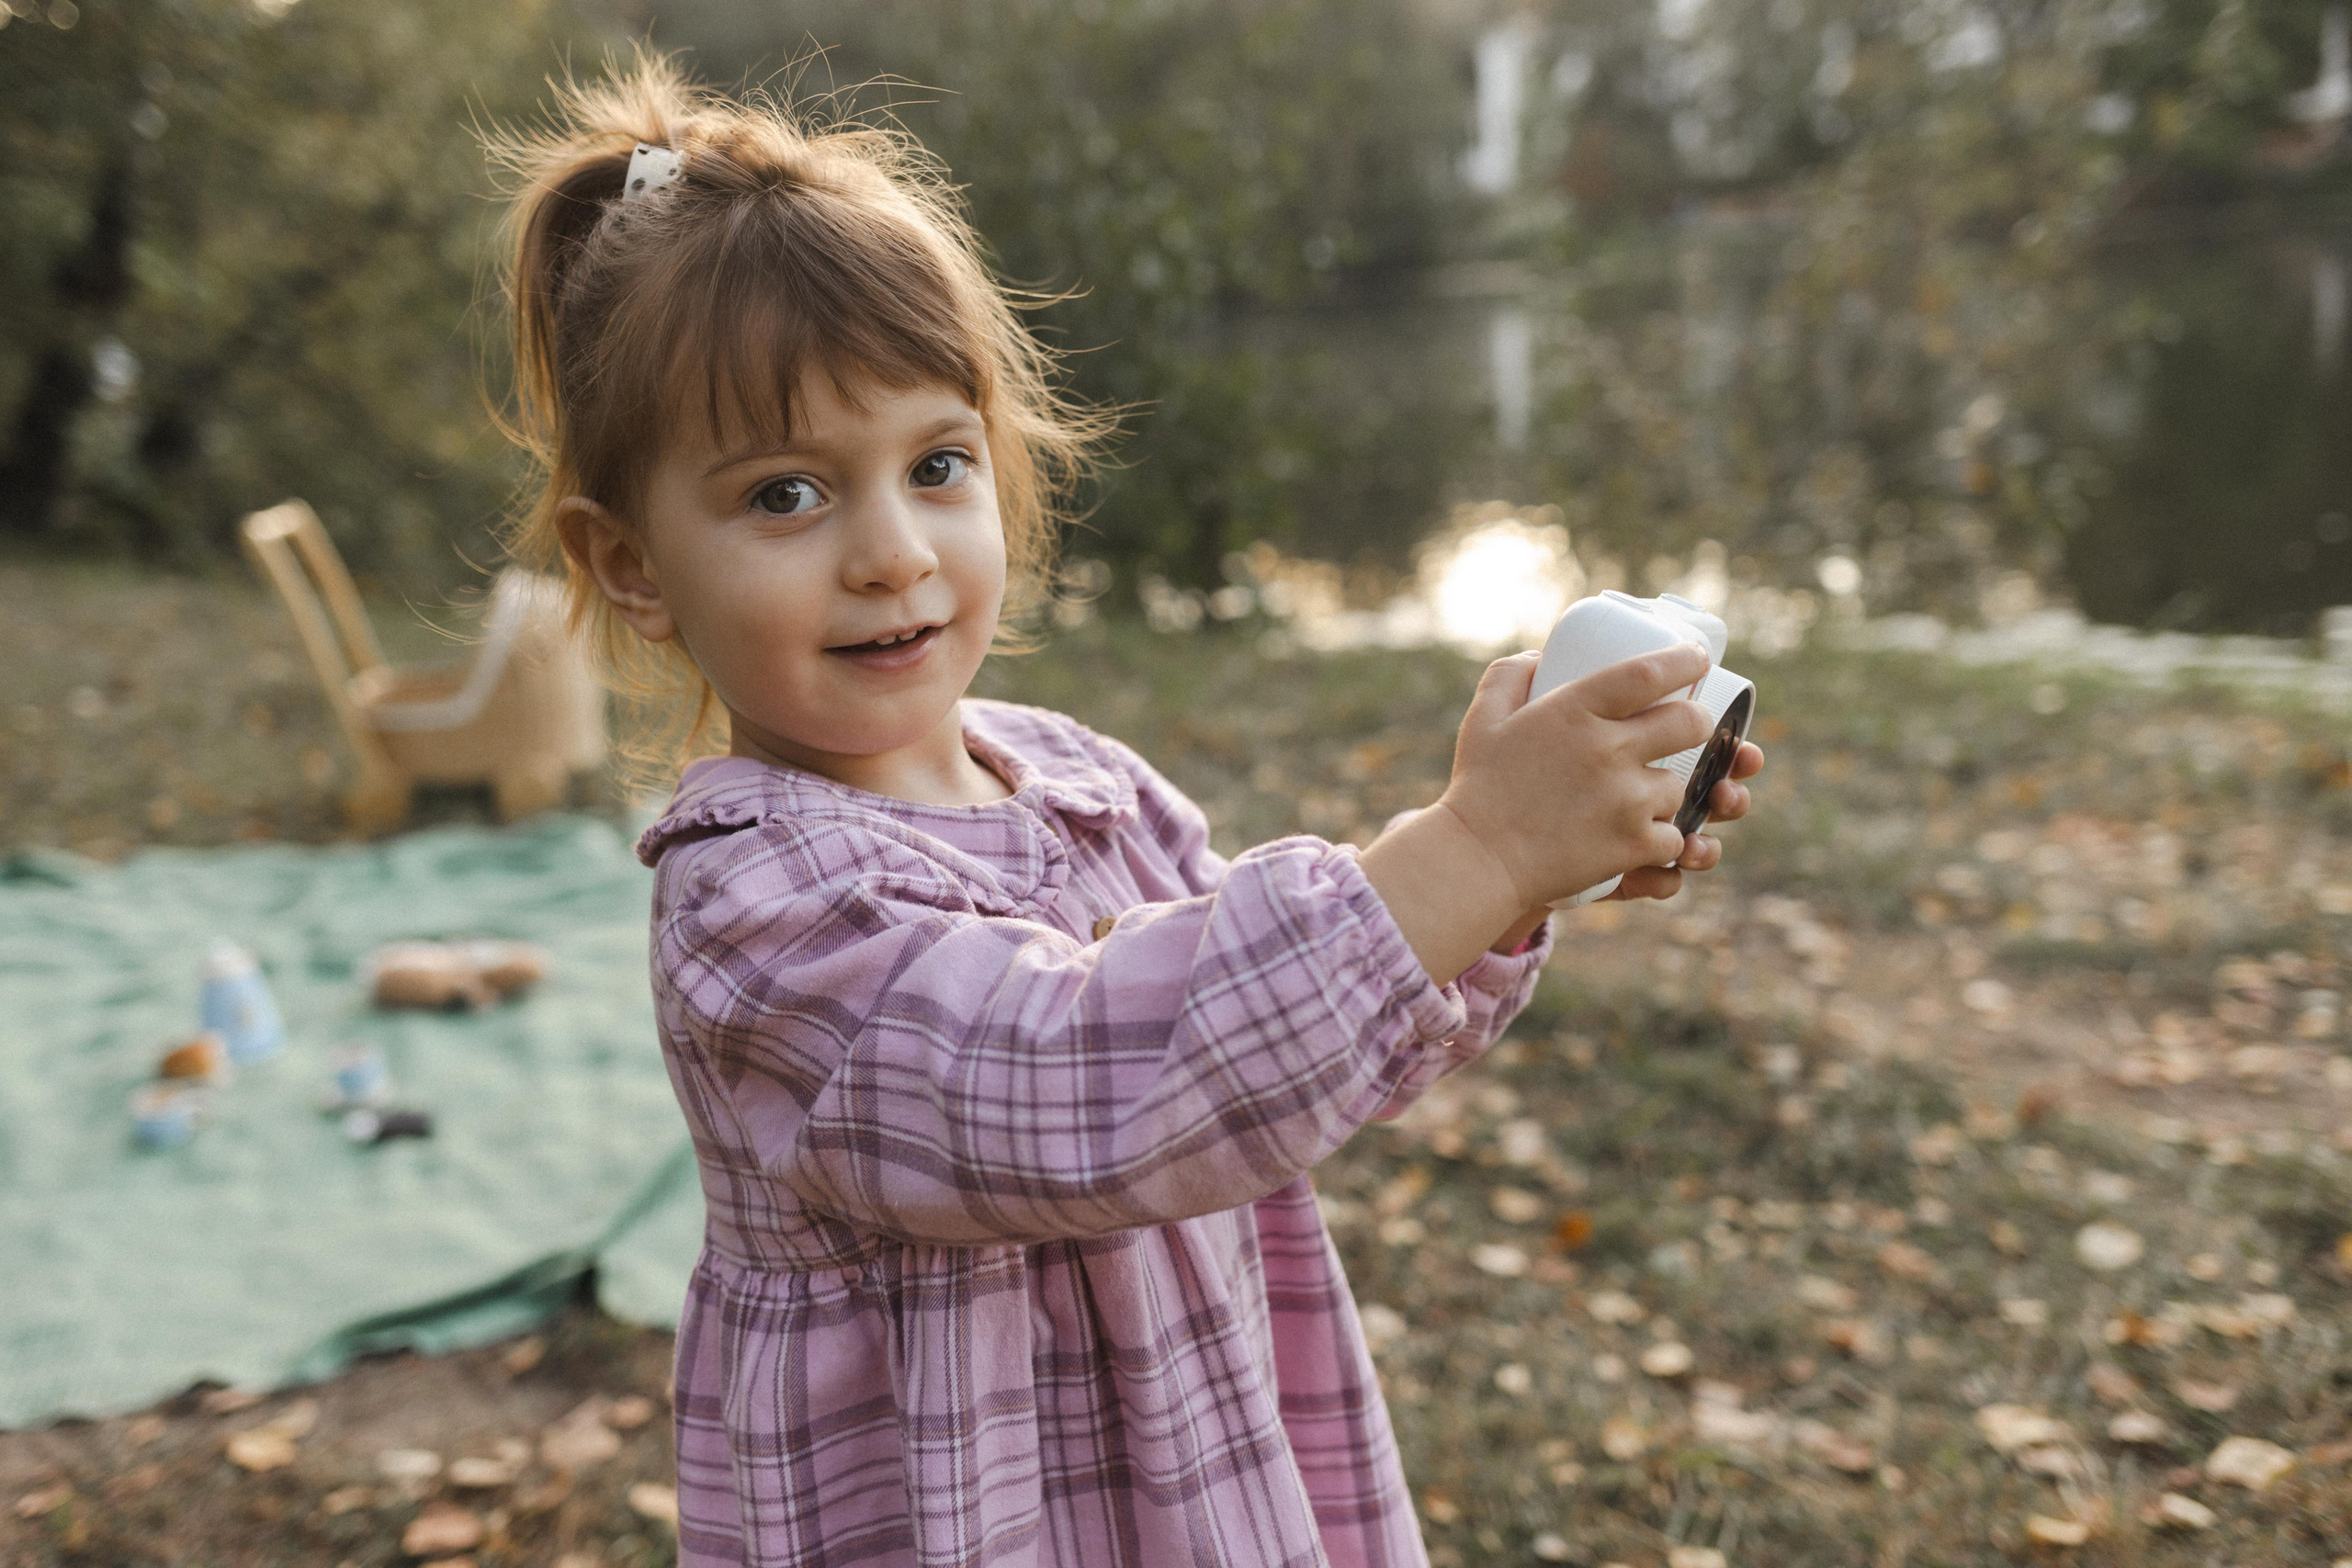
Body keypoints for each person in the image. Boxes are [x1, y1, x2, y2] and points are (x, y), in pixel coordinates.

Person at [492, 57, 1763, 1568]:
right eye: (786, 495)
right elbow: (1086, 1092)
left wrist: (1515, 879)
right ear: (631, 565)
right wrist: (1472, 845)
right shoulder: (753, 909)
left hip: (1195, 1473)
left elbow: (1290, 1049)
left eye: (938, 464)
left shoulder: (1080, 781)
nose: (894, 553)